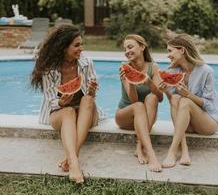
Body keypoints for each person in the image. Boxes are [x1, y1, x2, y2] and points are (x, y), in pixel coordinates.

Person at [30, 25, 99, 183]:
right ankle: (74, 163)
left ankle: (71, 158)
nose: (81, 49)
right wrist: (60, 102)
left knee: (87, 99)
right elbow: (50, 99)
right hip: (60, 113)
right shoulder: (49, 69)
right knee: (68, 111)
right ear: (63, 47)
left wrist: (92, 91)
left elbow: (92, 96)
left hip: (86, 112)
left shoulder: (87, 63)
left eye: (81, 44)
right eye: (76, 45)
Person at [159, 34, 218, 168]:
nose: (168, 55)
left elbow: (210, 105)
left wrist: (188, 95)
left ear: (181, 50)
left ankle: (172, 151)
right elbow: (173, 103)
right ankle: (184, 150)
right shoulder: (173, 71)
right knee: (176, 98)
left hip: (208, 122)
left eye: (170, 51)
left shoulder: (206, 71)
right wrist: (165, 90)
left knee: (185, 101)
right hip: (187, 124)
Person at [115, 34, 163, 172]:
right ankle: (152, 155)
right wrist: (130, 83)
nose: (126, 51)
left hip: (145, 119)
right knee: (139, 106)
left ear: (142, 47)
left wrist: (149, 82)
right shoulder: (124, 67)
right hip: (125, 116)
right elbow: (134, 101)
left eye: (130, 47)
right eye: (125, 49)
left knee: (152, 97)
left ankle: (139, 146)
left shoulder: (153, 68)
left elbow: (160, 97)